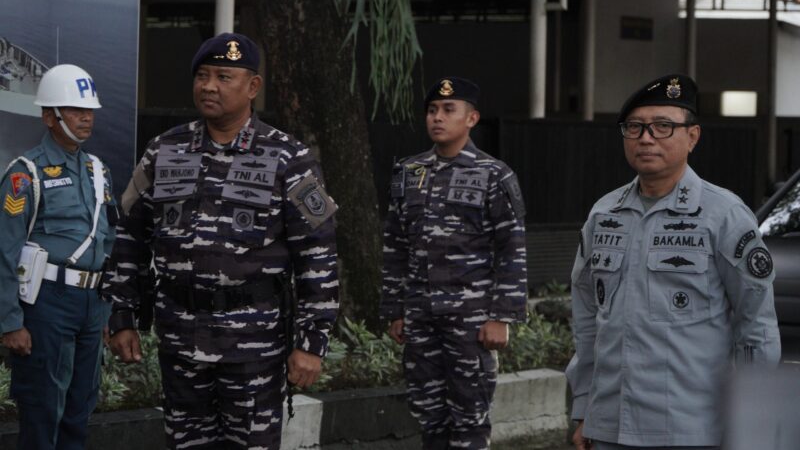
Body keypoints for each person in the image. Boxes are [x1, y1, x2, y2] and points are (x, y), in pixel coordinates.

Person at [100, 32, 339, 449]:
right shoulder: (164, 150)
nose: (209, 86)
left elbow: (318, 254)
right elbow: (130, 236)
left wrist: (311, 343)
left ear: (252, 87)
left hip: (253, 346)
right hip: (180, 339)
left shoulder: (289, 158)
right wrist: (123, 314)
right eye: (202, 75)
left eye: (223, 76)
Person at [567, 74, 781, 450]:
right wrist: (585, 409)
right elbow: (587, 323)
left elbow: (756, 326)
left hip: (692, 426)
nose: (646, 138)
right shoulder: (604, 214)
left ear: (692, 137)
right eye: (634, 127)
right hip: (610, 425)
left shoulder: (724, 214)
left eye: (662, 126)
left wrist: (753, 423)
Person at [381, 76, 528, 450]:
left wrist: (501, 316)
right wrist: (395, 309)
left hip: (471, 320)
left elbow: (511, 247)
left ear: (472, 118)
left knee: (469, 417)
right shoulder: (409, 172)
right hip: (421, 316)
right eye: (432, 110)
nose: (437, 118)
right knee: (429, 415)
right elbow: (396, 245)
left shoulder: (493, 174)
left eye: (449, 110)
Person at [0, 64, 116, 450]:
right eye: (74, 109)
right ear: (49, 116)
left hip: (90, 303)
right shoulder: (25, 173)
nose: (87, 117)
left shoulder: (97, 171)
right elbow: (4, 251)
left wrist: (105, 311)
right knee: (42, 410)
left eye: (89, 110)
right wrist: (10, 321)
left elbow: (107, 240)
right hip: (48, 303)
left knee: (80, 409)